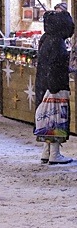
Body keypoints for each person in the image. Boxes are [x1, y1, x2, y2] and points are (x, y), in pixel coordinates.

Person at [35, 10, 75, 165]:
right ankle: (55, 153)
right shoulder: (58, 42)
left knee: (46, 119)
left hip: (43, 85)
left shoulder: (45, 39)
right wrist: (56, 86)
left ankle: (47, 150)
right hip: (55, 87)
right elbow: (56, 66)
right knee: (57, 118)